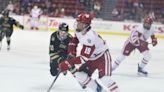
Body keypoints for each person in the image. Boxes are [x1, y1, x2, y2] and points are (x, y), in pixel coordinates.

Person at [58, 13, 120, 92]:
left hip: (102, 57)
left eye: (79, 23)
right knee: (79, 75)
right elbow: (74, 41)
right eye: (77, 22)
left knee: (105, 79)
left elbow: (83, 58)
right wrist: (71, 52)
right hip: (91, 58)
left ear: (85, 25)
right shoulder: (79, 30)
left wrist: (68, 63)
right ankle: (99, 90)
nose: (77, 24)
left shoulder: (90, 37)